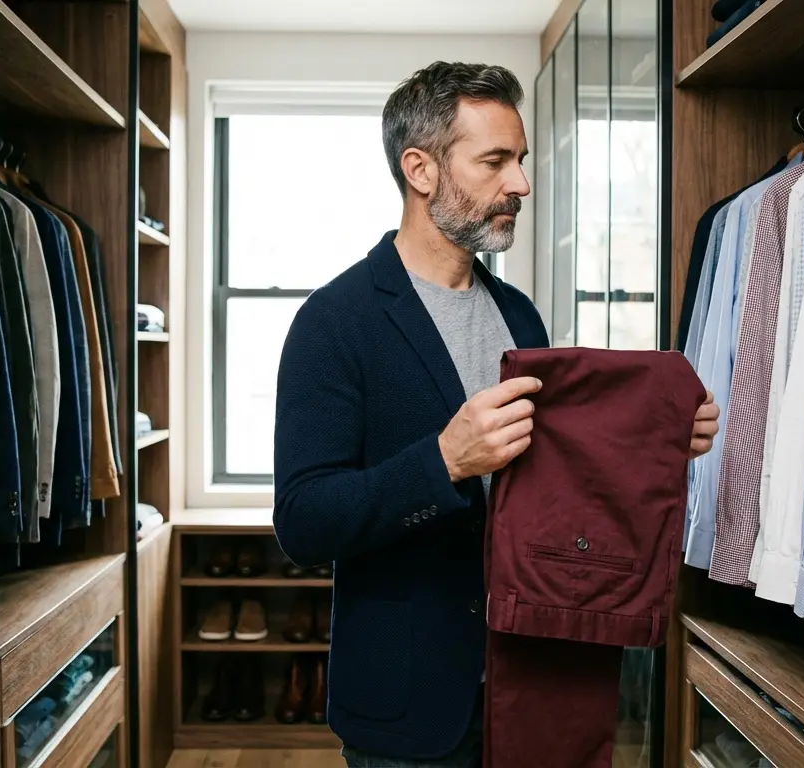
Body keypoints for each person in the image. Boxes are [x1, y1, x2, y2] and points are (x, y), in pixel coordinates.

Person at [272, 61, 720, 767]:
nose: (521, 183)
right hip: (410, 706)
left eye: (521, 160)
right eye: (495, 161)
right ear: (420, 170)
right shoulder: (333, 322)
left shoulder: (521, 317)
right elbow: (303, 523)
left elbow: (559, 476)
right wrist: (443, 462)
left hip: (535, 684)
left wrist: (657, 437)